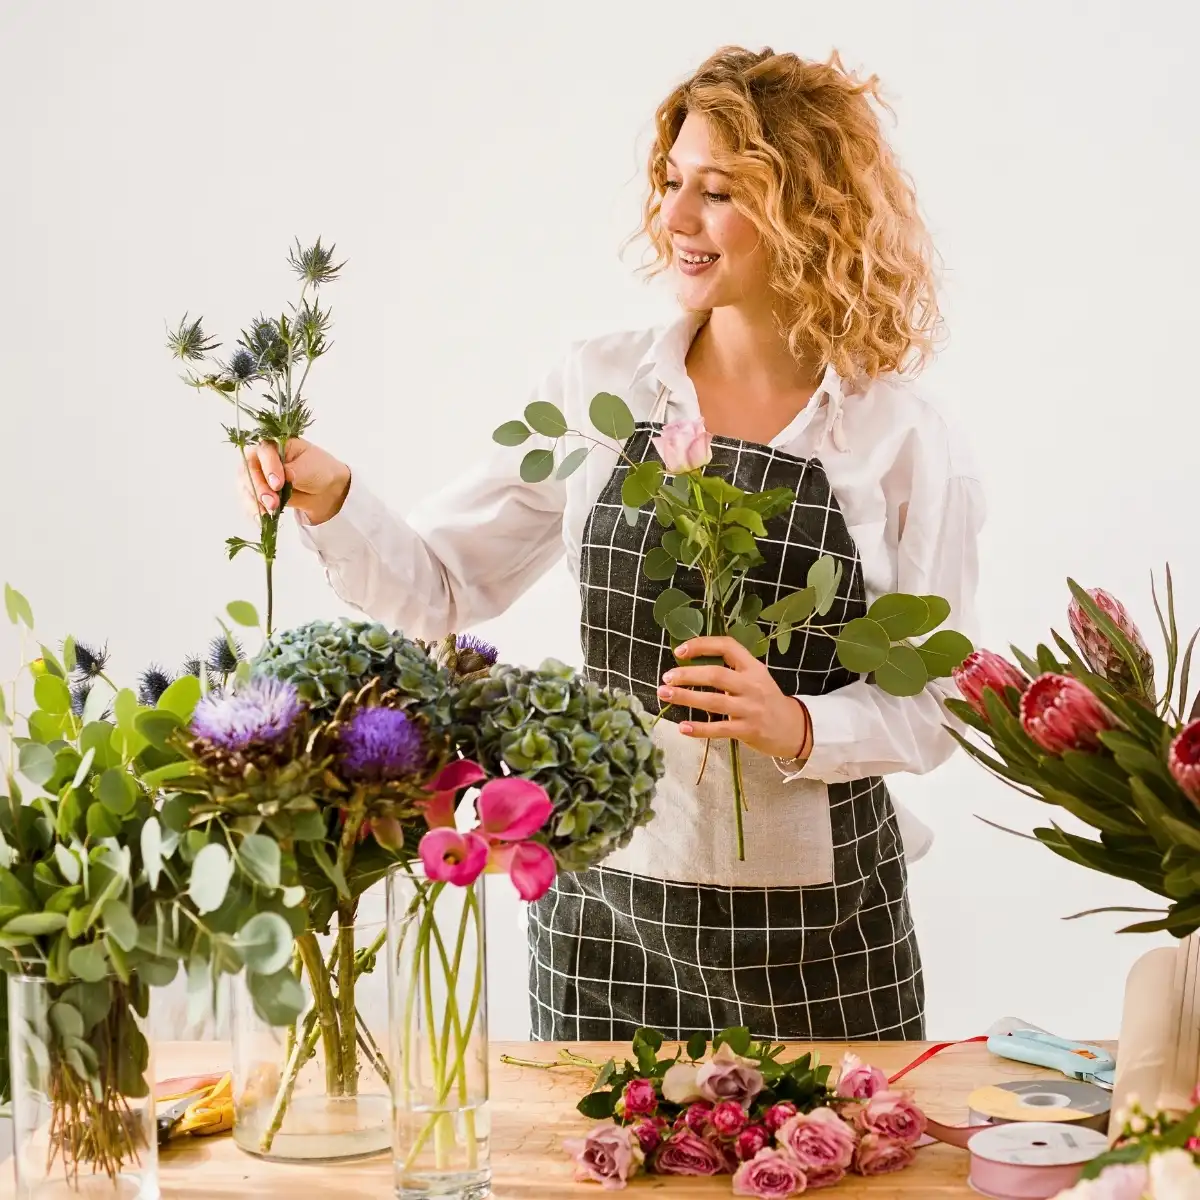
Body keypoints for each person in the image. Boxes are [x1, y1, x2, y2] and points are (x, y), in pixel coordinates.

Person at [241, 46, 984, 1043]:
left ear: (809, 211)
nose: (675, 219)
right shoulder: (603, 389)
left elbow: (936, 701)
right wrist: (335, 499)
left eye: (716, 192)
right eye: (672, 182)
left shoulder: (897, 439)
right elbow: (449, 585)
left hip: (823, 929)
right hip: (607, 918)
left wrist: (799, 725)